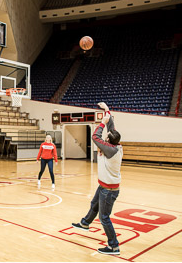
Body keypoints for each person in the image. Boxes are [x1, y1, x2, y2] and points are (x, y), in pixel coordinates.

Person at [71, 102, 123, 255]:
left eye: (106, 136)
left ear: (108, 141)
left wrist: (102, 122)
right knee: (94, 204)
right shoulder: (115, 144)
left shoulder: (110, 150)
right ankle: (85, 223)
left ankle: (114, 246)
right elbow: (112, 129)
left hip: (109, 190)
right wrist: (107, 110)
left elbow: (95, 136)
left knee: (104, 218)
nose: (106, 135)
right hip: (104, 186)